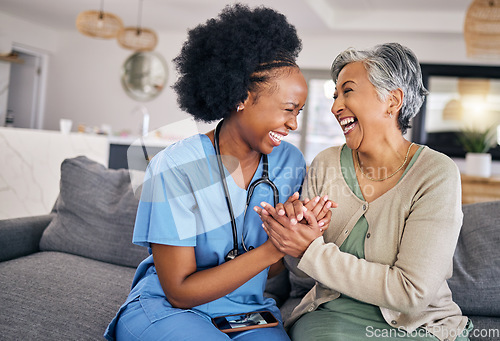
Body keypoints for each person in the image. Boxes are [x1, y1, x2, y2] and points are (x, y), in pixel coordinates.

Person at [104, 4, 333, 341]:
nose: (293, 124)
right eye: (288, 109)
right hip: (172, 308)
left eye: (298, 112)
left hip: (247, 311)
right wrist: (275, 246)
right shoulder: (177, 166)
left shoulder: (289, 162)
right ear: (241, 96)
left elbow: (270, 273)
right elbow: (179, 291)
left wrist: (292, 231)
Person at [255, 43, 473, 341]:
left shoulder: (435, 173)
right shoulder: (326, 163)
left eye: (348, 91)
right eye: (335, 95)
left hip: (418, 325)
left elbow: (411, 293)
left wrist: (310, 249)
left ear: (392, 100)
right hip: (332, 318)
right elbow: (305, 275)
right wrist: (295, 234)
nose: (334, 106)